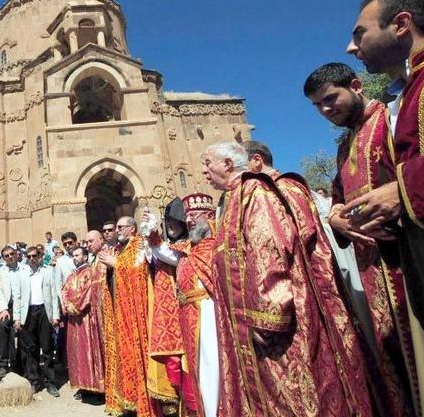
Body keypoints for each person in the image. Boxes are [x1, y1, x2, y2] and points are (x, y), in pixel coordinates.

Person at [202, 142, 373, 416]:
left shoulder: (254, 192)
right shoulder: (234, 198)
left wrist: (268, 316)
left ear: (228, 164)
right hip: (246, 329)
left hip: (272, 329)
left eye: (207, 162)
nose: (204, 171)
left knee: (294, 395)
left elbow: (268, 247)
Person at [304, 62, 419, 415]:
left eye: (330, 99)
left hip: (406, 262)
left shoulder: (389, 120)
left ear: (356, 85)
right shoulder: (344, 146)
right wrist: (336, 217)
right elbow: (338, 200)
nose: (325, 111)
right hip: (372, 272)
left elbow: (414, 177)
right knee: (392, 360)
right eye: (318, 106)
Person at [343, 0, 424, 414]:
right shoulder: (408, 89)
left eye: (359, 34)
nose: (351, 45)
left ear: (401, 24)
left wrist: (404, 188)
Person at [152, 195, 219, 417]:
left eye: (194, 215)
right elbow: (168, 254)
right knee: (198, 373)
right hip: (190, 319)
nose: (189, 220)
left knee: (214, 372)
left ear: (210, 216)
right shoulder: (189, 249)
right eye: (187, 216)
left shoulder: (216, 246)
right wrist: (153, 238)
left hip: (211, 317)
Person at [98, 215, 163, 416]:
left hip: (136, 313)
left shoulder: (138, 245)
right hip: (122, 312)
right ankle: (129, 399)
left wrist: (115, 263)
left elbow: (139, 271)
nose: (116, 230)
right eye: (116, 227)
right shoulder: (122, 248)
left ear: (132, 229)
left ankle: (143, 402)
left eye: (120, 227)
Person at [60, 246, 107, 403]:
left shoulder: (90, 272)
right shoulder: (71, 275)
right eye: (73, 255)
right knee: (76, 353)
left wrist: (76, 307)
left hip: (86, 319)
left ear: (85, 257)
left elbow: (89, 292)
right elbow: (64, 291)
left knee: (89, 351)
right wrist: (67, 306)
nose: (75, 258)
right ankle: (83, 386)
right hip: (73, 322)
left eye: (78, 255)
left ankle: (96, 388)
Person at [16, 247, 60, 397]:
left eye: (34, 256)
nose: (31, 259)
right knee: (31, 348)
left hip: (44, 312)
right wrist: (17, 317)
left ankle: (50, 382)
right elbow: (18, 297)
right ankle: (34, 381)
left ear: (40, 256)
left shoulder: (47, 272)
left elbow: (54, 294)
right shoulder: (22, 274)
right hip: (28, 313)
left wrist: (56, 315)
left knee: (47, 347)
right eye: (28, 256)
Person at [0, 245, 24, 380]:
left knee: (23, 332)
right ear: (4, 258)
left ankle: (20, 365)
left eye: (11, 254)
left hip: (23, 306)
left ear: (16, 254)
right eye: (6, 256)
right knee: (3, 326)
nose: (10, 257)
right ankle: (3, 364)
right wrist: (3, 309)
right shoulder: (0, 272)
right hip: (8, 307)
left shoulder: (25, 268)